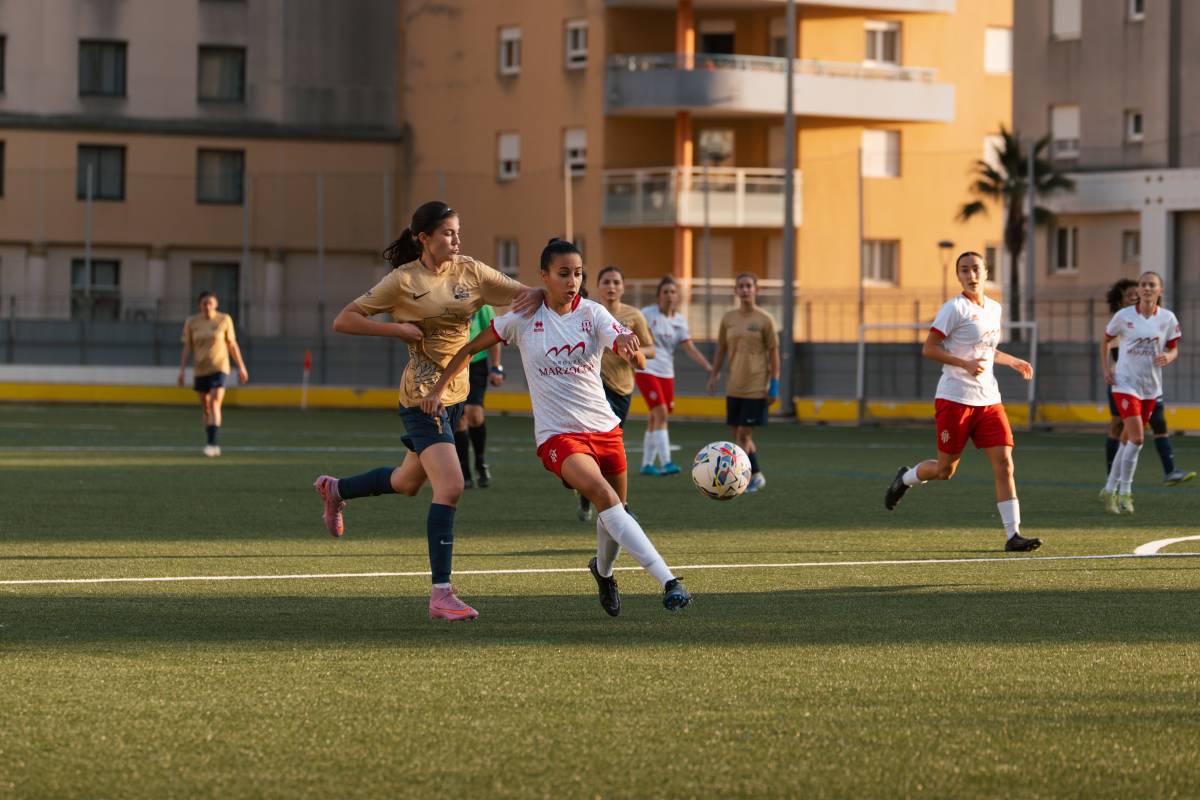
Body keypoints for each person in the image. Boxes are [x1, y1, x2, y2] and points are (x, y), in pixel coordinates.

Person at [422, 239, 692, 616]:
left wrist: (632, 346)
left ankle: (604, 571)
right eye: (564, 274)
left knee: (614, 509)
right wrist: (437, 390)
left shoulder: (594, 314)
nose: (573, 281)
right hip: (558, 436)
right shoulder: (522, 319)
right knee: (605, 498)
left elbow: (637, 355)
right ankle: (669, 581)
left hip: (606, 429)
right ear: (544, 276)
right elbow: (468, 350)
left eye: (578, 274)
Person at [311, 200, 543, 622]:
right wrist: (393, 328)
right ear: (424, 238)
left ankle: (336, 490)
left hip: (455, 396)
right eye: (448, 232)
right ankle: (441, 594)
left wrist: (558, 291)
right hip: (421, 399)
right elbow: (343, 320)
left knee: (406, 482)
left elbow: (525, 295)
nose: (457, 239)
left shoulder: (471, 271)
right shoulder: (402, 281)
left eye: (458, 231)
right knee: (451, 486)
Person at [884, 251, 1042, 552]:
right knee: (945, 470)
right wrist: (964, 364)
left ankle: (1013, 535)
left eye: (976, 269)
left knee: (1005, 464)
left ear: (986, 272)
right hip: (955, 398)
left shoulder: (994, 308)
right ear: (958, 275)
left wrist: (1012, 361)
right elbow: (929, 348)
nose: (971, 275)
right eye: (965, 270)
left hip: (989, 399)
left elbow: (984, 349)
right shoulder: (953, 308)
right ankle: (904, 479)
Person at [576, 265, 656, 522]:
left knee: (610, 447)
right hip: (593, 387)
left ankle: (598, 495)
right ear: (598, 286)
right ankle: (616, 503)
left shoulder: (633, 316)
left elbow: (651, 349)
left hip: (622, 388)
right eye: (606, 282)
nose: (611, 286)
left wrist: (633, 350)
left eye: (616, 282)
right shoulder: (588, 313)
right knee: (595, 443)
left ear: (622, 287)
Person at [1099, 271, 1183, 514]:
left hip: (1150, 388)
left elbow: (1174, 348)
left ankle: (1109, 488)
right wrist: (1106, 370)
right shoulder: (1123, 316)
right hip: (1125, 384)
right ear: (1139, 289)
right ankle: (1125, 492)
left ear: (1160, 291)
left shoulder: (1167, 319)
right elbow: (1104, 341)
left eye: (1151, 285)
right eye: (1143, 284)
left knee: (1127, 441)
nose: (1146, 288)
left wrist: (1169, 356)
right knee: (1137, 439)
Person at [706, 273, 780, 493]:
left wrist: (774, 383)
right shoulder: (728, 318)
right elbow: (721, 348)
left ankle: (739, 479)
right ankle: (756, 474)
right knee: (737, 433)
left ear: (756, 290)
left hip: (756, 385)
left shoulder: (765, 319)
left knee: (743, 435)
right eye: (741, 286)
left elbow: (774, 352)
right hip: (734, 385)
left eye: (749, 286)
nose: (745, 289)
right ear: (736, 291)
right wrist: (714, 374)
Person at [636, 276, 712, 476]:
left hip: (666, 372)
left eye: (672, 292)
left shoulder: (679, 320)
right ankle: (667, 462)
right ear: (659, 296)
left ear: (677, 296)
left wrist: (708, 366)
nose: (669, 295)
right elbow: (633, 333)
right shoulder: (646, 314)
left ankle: (647, 464)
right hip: (646, 369)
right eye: (665, 292)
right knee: (660, 413)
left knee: (656, 416)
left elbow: (690, 348)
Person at [177, 291, 249, 457]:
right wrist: (181, 371)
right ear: (199, 305)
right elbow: (187, 347)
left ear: (216, 304)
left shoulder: (224, 320)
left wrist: (241, 367)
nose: (207, 306)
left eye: (210, 303)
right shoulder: (192, 322)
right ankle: (210, 436)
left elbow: (232, 344)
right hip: (200, 369)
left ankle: (212, 444)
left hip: (220, 367)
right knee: (206, 406)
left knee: (216, 402)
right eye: (204, 303)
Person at [455, 305, 504, 489]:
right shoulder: (445, 297)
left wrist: (496, 367)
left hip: (476, 363)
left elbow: (493, 336)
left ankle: (480, 462)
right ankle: (464, 469)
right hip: (451, 364)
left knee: (474, 414)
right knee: (459, 419)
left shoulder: (482, 306)